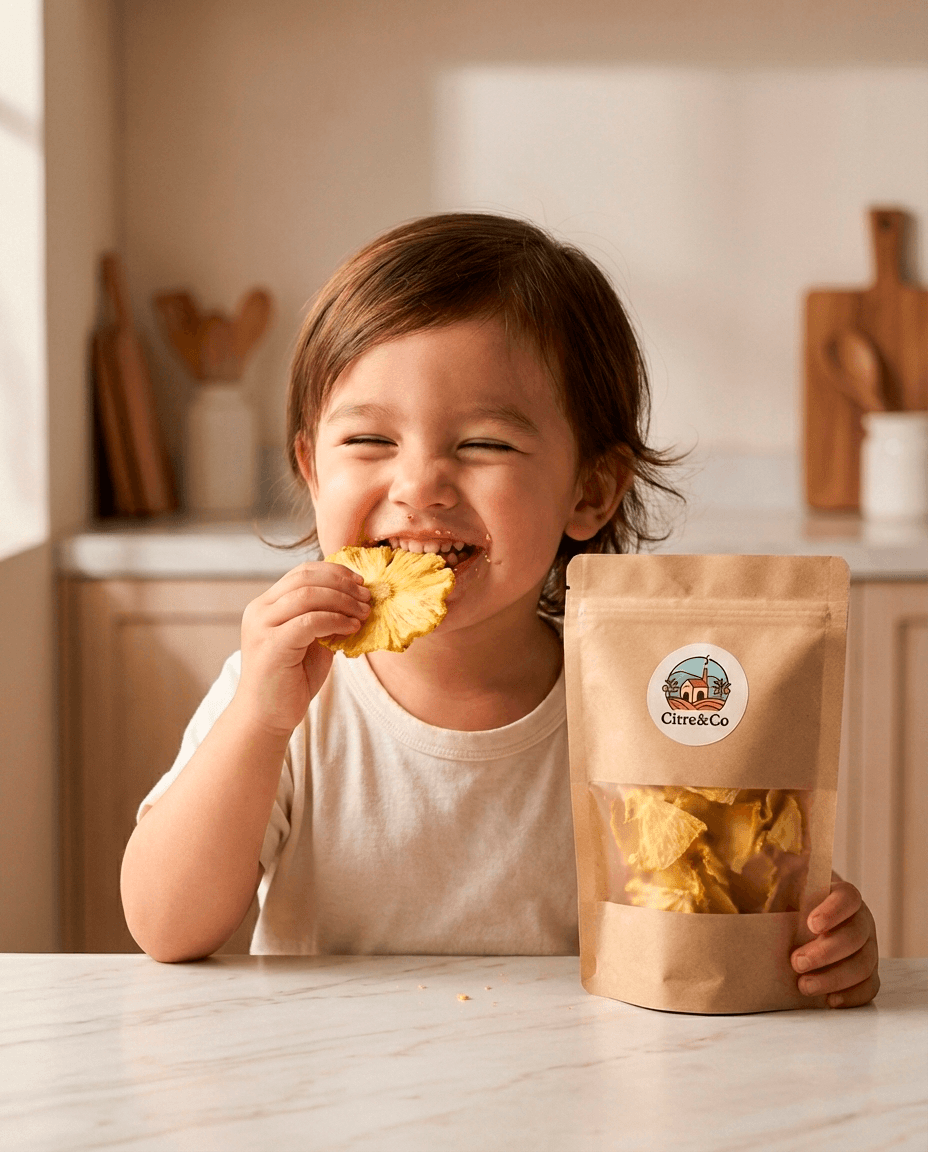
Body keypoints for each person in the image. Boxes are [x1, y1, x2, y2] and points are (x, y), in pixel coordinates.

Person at [120, 213, 879, 1007]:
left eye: (484, 444)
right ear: (311, 468)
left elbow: (725, 899)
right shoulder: (282, 698)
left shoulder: (635, 709)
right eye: (370, 442)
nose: (420, 484)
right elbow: (165, 926)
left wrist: (819, 939)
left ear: (589, 490)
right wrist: (257, 723)